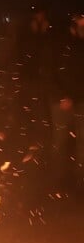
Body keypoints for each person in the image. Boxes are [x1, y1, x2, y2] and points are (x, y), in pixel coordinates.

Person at [50, 13, 84, 194]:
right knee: (60, 143)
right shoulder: (60, 44)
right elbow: (49, 71)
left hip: (82, 101)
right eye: (80, 24)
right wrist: (62, 96)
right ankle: (57, 184)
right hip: (61, 103)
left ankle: (81, 184)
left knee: (83, 146)